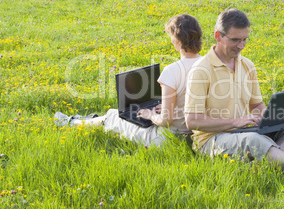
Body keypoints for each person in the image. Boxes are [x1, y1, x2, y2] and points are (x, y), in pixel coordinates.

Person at [185, 9, 284, 169]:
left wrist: (270, 115)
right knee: (254, 140)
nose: (241, 46)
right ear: (218, 36)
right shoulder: (201, 70)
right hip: (212, 139)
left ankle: (271, 158)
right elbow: (192, 121)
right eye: (235, 40)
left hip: (244, 131)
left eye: (244, 40)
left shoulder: (247, 65)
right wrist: (236, 122)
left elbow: (256, 105)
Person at [55, 14, 203, 146]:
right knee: (119, 115)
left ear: (177, 41)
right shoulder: (208, 65)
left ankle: (71, 122)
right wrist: (167, 107)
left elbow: (165, 121)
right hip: (197, 135)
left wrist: (150, 115)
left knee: (113, 116)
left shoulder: (172, 71)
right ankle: (88, 120)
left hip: (168, 140)